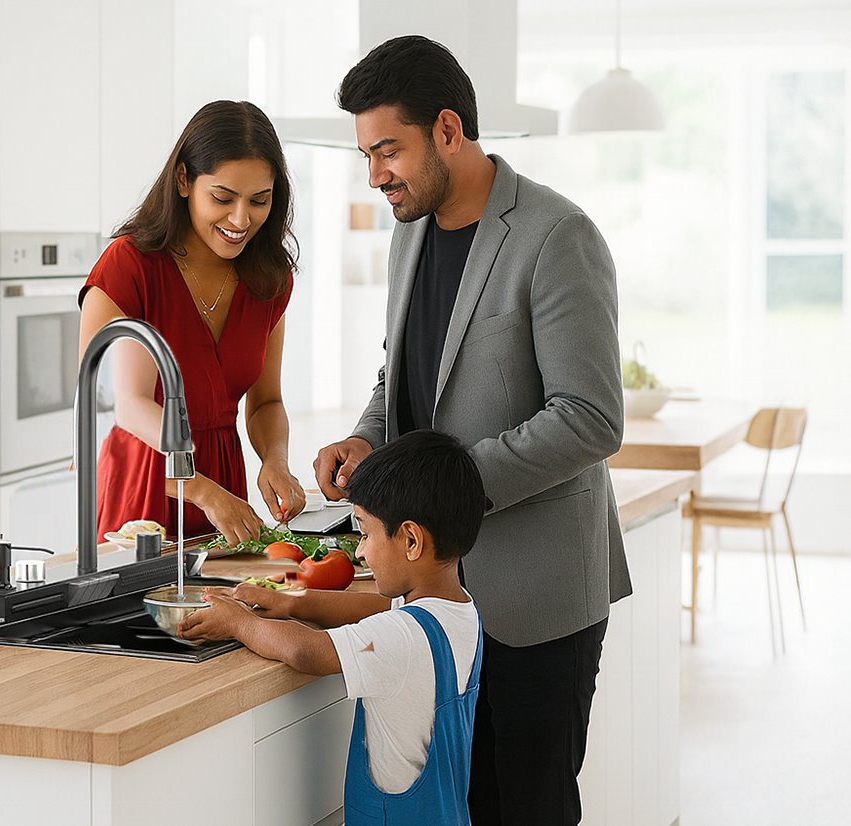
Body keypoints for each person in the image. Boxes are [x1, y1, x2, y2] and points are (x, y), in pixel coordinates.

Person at [311, 36, 629, 826]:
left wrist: (439, 495)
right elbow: (404, 376)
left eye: (389, 150)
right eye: (366, 155)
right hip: (435, 602)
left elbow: (590, 417)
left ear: (448, 130)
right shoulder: (407, 232)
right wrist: (365, 438)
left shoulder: (557, 236)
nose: (376, 173)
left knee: (526, 811)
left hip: (535, 599)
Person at [182, 429, 486, 825]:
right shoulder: (456, 611)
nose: (359, 550)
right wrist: (290, 599)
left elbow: (306, 651)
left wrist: (239, 622)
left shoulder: (401, 638)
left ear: (411, 540)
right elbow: (371, 608)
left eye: (365, 532)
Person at [79, 100, 305, 546]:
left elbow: (265, 403)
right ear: (184, 179)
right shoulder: (130, 267)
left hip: (223, 488)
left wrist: (275, 460)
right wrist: (200, 490)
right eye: (222, 198)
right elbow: (124, 406)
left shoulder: (270, 279)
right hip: (147, 486)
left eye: (259, 200)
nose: (241, 220)